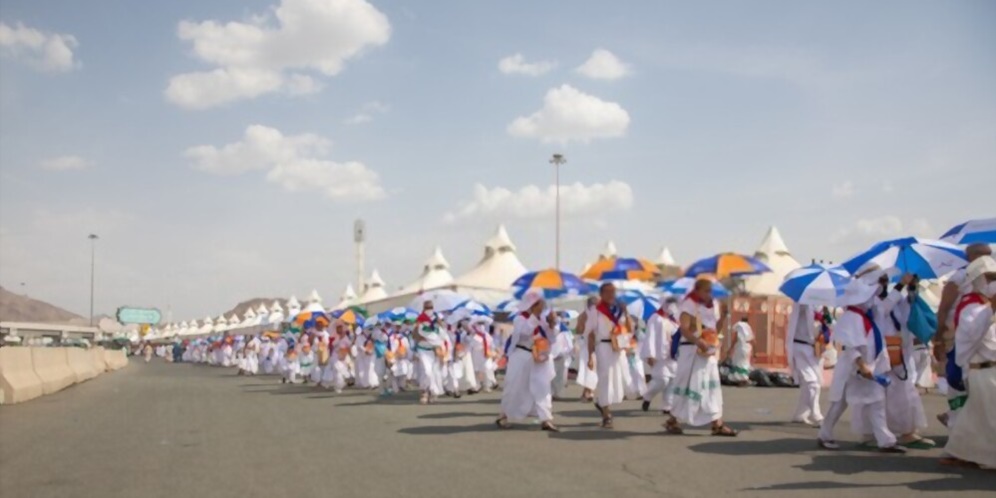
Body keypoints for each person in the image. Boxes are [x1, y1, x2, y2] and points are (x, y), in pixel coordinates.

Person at [817, 275, 905, 453]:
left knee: (875, 402)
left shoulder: (866, 316)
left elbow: (885, 304)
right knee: (840, 403)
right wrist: (861, 365)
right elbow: (850, 346)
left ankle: (885, 440)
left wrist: (892, 285)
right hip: (855, 369)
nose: (873, 298)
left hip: (866, 368)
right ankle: (825, 434)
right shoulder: (852, 317)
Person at [942, 255, 996, 468]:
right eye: (989, 277)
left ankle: (957, 451)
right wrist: (991, 309)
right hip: (981, 370)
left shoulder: (983, 305)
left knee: (975, 418)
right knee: (989, 418)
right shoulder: (970, 306)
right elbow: (972, 333)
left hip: (989, 369)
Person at [665, 278, 737, 437]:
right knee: (687, 386)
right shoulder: (689, 304)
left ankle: (717, 423)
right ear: (697, 290)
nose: (709, 294)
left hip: (708, 353)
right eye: (706, 290)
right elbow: (684, 329)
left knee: (711, 388)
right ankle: (673, 419)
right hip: (691, 351)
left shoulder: (714, 306)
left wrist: (723, 317)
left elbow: (714, 331)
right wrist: (698, 341)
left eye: (710, 290)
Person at [934, 243, 992, 426]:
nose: (987, 258)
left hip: (983, 339)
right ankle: (957, 422)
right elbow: (943, 310)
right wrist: (939, 341)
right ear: (970, 256)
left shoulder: (988, 279)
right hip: (959, 337)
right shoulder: (959, 278)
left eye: (989, 254)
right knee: (959, 382)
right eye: (983, 254)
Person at [877, 274, 933, 448]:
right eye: (882, 280)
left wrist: (912, 288)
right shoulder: (870, 301)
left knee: (904, 392)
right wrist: (900, 284)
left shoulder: (897, 300)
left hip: (902, 352)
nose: (884, 284)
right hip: (884, 353)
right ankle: (879, 432)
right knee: (883, 395)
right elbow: (884, 309)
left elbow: (908, 314)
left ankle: (906, 431)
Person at [496, 288, 560, 432]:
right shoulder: (520, 318)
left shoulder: (544, 319)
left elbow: (552, 338)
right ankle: (503, 416)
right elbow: (525, 332)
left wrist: (552, 324)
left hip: (539, 357)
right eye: (539, 304)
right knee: (514, 387)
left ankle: (546, 419)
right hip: (521, 355)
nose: (542, 307)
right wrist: (535, 317)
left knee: (543, 388)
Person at [585, 283, 633, 429]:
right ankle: (607, 415)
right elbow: (590, 334)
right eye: (608, 292)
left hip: (617, 348)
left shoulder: (619, 309)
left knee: (617, 381)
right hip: (603, 347)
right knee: (605, 379)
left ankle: (601, 403)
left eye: (613, 292)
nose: (612, 294)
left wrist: (626, 313)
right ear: (601, 294)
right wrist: (590, 355)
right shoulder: (596, 311)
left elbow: (630, 329)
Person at [786, 303, 824, 426]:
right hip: (800, 346)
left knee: (814, 382)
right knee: (812, 382)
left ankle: (801, 414)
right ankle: (816, 415)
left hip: (814, 348)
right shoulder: (802, 304)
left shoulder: (822, 306)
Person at [642, 296, 679, 414]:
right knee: (662, 380)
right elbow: (650, 336)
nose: (672, 306)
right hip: (659, 355)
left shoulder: (674, 320)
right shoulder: (655, 318)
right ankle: (647, 396)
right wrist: (650, 354)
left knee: (672, 381)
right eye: (669, 303)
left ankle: (667, 406)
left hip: (673, 355)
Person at [413, 300, 446, 405]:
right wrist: (421, 336)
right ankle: (425, 391)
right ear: (423, 308)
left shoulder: (437, 320)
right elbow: (414, 336)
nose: (429, 310)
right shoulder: (419, 320)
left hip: (433, 350)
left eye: (430, 307)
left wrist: (439, 347)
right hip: (423, 350)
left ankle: (429, 392)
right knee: (427, 371)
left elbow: (442, 336)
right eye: (427, 308)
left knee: (432, 372)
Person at [728, 318, 755, 386]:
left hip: (740, 348)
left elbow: (735, 339)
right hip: (747, 348)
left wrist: (731, 348)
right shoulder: (748, 329)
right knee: (745, 363)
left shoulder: (739, 327)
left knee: (738, 363)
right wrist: (755, 352)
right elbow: (753, 340)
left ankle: (740, 379)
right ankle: (744, 379)